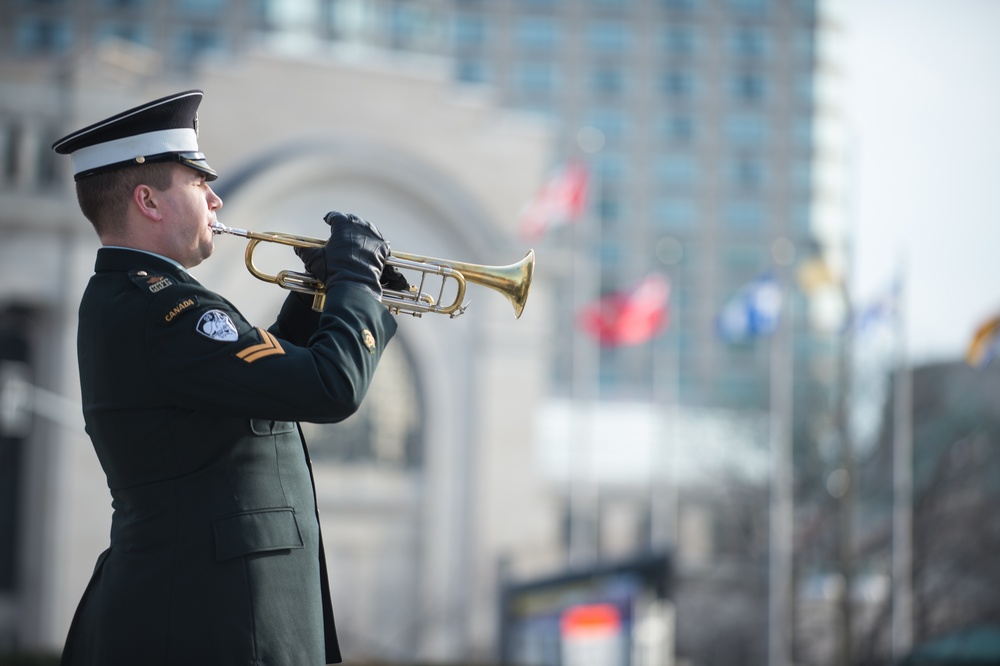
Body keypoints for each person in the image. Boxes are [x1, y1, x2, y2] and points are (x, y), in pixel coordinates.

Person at [51, 89, 402, 665]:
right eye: (198, 183)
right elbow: (331, 388)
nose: (215, 199)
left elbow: (257, 386)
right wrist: (357, 286)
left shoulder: (145, 300)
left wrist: (317, 301)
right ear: (149, 201)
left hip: (206, 609)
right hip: (214, 619)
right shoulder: (165, 309)